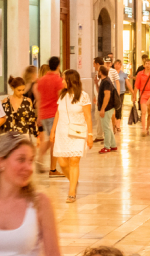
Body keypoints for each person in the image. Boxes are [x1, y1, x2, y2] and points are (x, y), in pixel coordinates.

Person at [53, 70, 95, 203]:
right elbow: (58, 114)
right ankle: (73, 180)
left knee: (74, 161)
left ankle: (71, 192)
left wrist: (90, 134)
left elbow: (88, 116)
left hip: (78, 132)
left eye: (64, 79)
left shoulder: (83, 96)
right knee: (62, 163)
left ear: (71, 81)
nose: (62, 81)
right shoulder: (62, 96)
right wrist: (53, 130)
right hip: (62, 132)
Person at [35, 56, 65, 172]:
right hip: (54, 113)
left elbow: (39, 98)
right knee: (54, 142)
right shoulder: (58, 80)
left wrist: (39, 115)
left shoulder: (41, 80)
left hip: (44, 114)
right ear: (58, 66)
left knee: (48, 139)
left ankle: (39, 159)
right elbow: (60, 98)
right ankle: (53, 169)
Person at [96, 66, 121, 154]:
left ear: (100, 72)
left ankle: (107, 147)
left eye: (98, 71)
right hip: (108, 108)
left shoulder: (106, 82)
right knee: (108, 127)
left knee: (106, 128)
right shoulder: (106, 81)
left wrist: (103, 109)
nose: (97, 72)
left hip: (107, 108)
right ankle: (113, 145)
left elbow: (107, 96)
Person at [135, 58, 150, 135]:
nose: (148, 65)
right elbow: (136, 86)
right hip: (143, 94)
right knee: (143, 112)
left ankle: (147, 128)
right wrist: (134, 96)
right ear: (144, 65)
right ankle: (143, 129)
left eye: (149, 64)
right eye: (146, 63)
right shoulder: (140, 74)